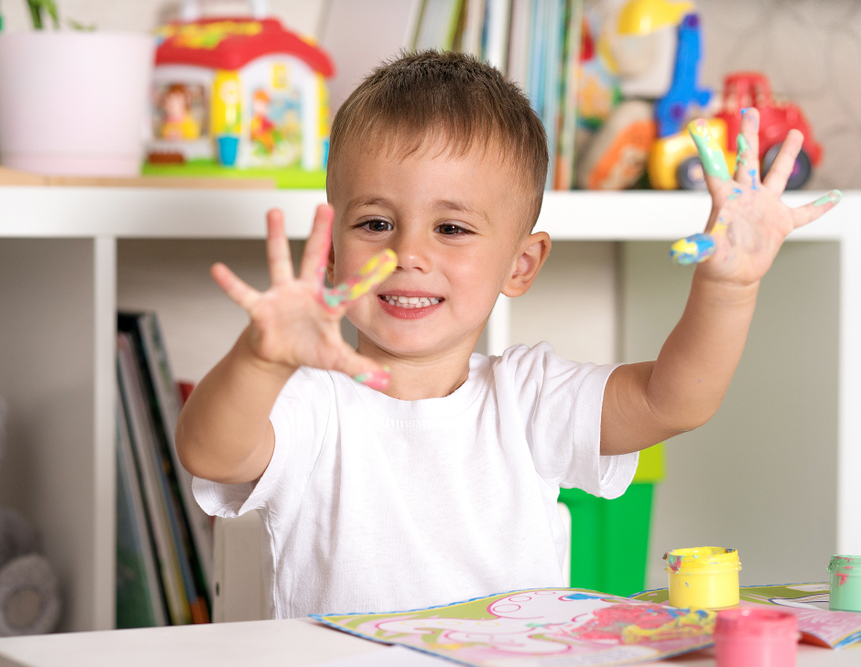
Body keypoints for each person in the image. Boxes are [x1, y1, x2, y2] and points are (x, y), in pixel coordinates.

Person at [175, 50, 840, 619]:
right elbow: (209, 450)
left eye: (452, 228)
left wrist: (728, 287)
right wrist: (261, 357)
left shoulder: (530, 396)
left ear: (520, 264)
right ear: (329, 255)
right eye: (375, 223)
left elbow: (675, 400)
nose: (409, 253)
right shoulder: (309, 401)